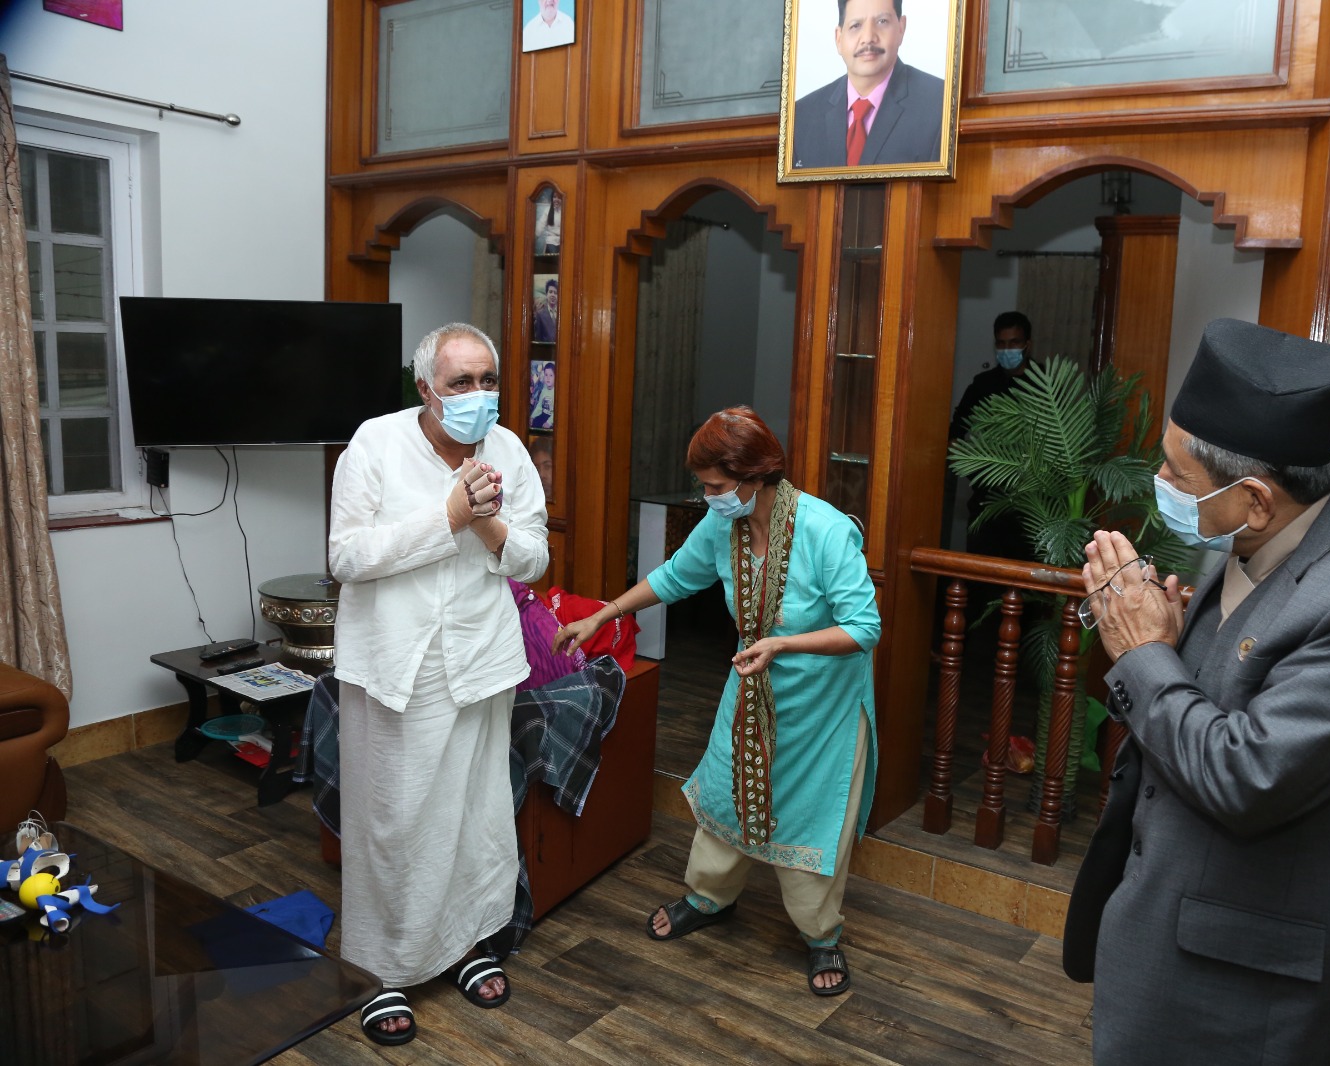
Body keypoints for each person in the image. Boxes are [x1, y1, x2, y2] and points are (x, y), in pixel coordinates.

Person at [1062, 318, 1330, 1065]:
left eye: (1177, 476)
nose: (1160, 486)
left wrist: (1144, 652)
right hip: (1173, 917)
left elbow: (1249, 775)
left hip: (1266, 986)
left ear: (1255, 499)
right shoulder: (1253, 540)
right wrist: (1175, 646)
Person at [552, 407, 879, 995]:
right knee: (728, 790)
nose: (708, 498)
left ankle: (820, 935)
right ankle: (709, 898)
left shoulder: (826, 531)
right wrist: (605, 614)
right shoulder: (723, 524)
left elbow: (864, 627)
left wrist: (781, 644)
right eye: (704, 486)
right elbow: (675, 577)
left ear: (755, 477)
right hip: (751, 687)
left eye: (716, 487)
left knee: (811, 813)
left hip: (823, 709)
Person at [328, 322, 549, 1046]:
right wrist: (448, 516)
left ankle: (468, 943)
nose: (478, 394)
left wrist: (486, 526)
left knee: (478, 814)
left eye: (488, 380)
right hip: (399, 666)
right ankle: (384, 969)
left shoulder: (508, 449)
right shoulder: (375, 443)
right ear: (426, 388)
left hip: (481, 660)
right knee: (396, 819)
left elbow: (534, 560)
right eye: (461, 382)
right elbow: (346, 557)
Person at [791, 0, 945, 169]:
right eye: (856, 25)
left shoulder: (941, 105)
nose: (868, 38)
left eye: (882, 22)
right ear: (839, 38)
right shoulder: (800, 117)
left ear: (901, 28)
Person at [948, 310, 1034, 560]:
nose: (1007, 349)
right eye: (1001, 343)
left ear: (1027, 344)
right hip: (986, 500)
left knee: (1024, 576)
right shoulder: (983, 385)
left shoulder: (1044, 383)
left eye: (1014, 343)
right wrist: (974, 470)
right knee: (979, 571)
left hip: (1032, 505)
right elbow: (955, 433)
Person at [533, 278, 558, 343]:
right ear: (546, 294)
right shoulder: (540, 315)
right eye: (550, 292)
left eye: (555, 293)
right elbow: (538, 339)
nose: (553, 295)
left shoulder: (563, 315)